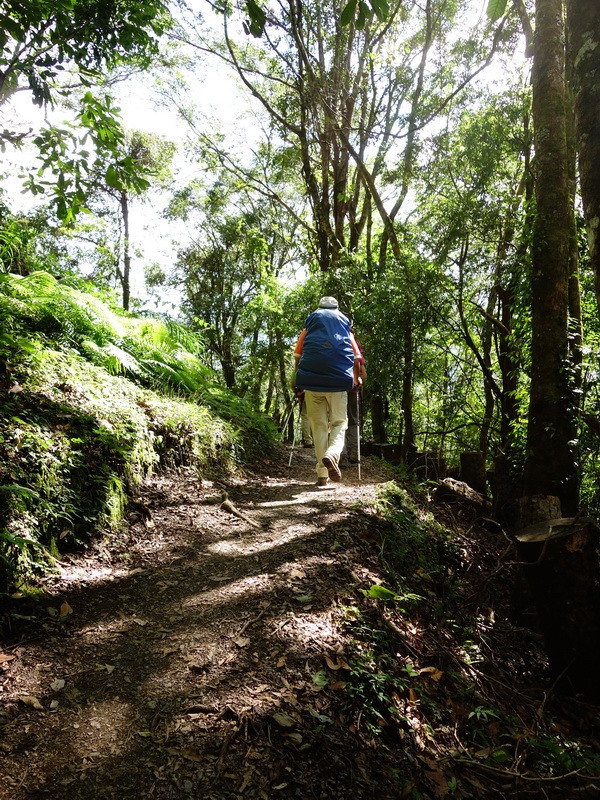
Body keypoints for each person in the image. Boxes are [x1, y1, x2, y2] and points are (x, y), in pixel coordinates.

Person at [293, 296, 364, 487]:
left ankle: (322, 476)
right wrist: (355, 379)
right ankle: (333, 453)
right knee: (340, 422)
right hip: (338, 383)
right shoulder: (346, 332)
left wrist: (296, 379)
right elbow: (357, 359)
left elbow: (298, 358)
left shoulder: (308, 331)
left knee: (319, 427)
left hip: (311, 383)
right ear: (338, 310)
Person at [341, 331, 366, 465]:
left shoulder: (334, 342)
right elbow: (363, 372)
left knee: (337, 421)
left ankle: (341, 455)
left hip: (336, 388)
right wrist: (358, 380)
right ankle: (354, 453)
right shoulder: (355, 345)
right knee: (353, 421)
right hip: (352, 388)